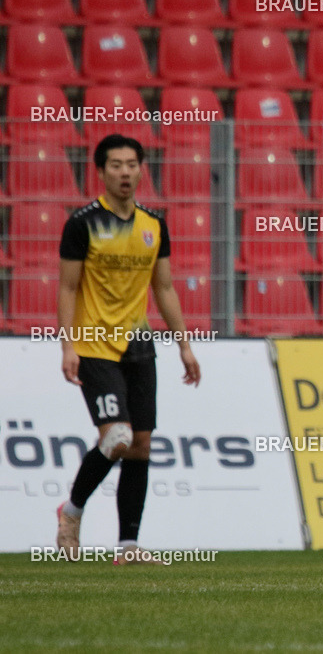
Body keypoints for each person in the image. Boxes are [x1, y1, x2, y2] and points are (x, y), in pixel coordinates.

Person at [55, 134, 201, 563]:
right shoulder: (82, 223)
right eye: (115, 164)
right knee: (116, 437)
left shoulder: (153, 225)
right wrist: (67, 346)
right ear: (100, 171)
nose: (124, 172)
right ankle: (71, 511)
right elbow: (66, 288)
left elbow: (166, 288)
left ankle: (128, 547)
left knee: (139, 445)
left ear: (141, 170)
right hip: (95, 345)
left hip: (139, 345)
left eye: (131, 164)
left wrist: (185, 347)